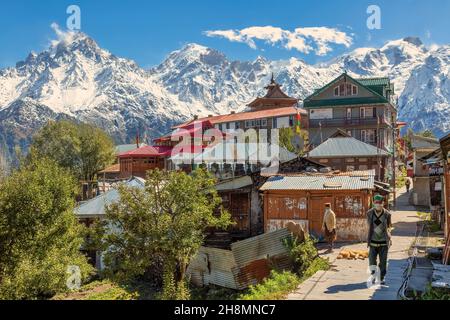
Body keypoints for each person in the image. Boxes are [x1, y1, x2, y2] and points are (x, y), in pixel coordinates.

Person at [367, 195, 392, 285]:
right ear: (373, 203)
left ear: (383, 203)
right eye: (376, 202)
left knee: (383, 262)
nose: (378, 204)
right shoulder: (369, 213)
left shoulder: (387, 214)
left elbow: (389, 226)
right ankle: (373, 276)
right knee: (372, 261)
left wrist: (389, 235)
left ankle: (381, 278)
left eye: (380, 203)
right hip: (373, 242)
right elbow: (370, 225)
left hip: (383, 243)